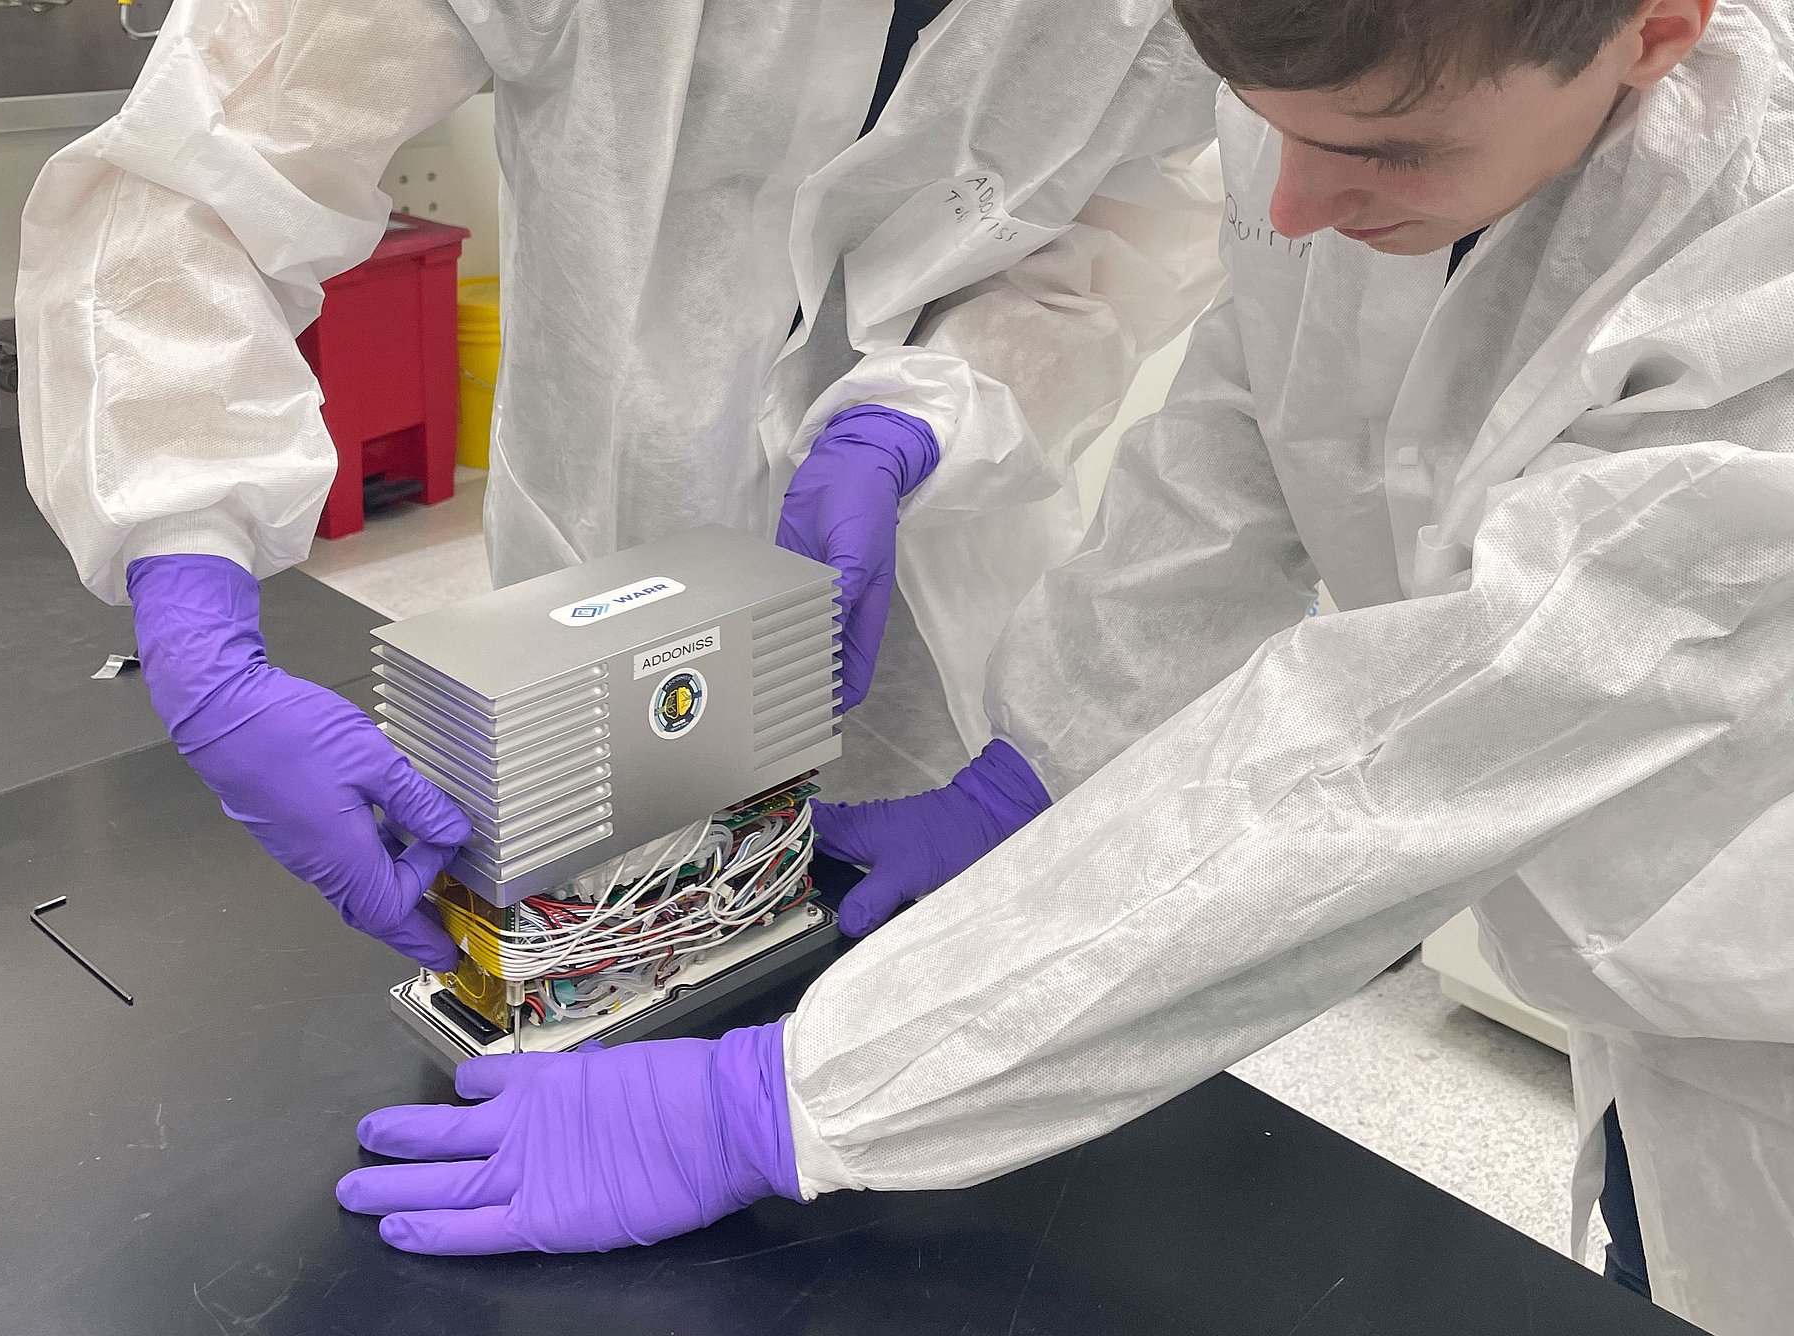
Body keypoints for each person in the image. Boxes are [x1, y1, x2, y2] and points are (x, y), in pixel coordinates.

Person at [331, 4, 1794, 1335]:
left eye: (1384, 153)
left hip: (1762, 995)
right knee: (1656, 1263)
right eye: (1271, 131)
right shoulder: (1372, 112)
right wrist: (1038, 769)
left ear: (1657, 30)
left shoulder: (1760, 275)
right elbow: (1240, 463)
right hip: (1633, 985)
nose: (1293, 204)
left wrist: (782, 1101)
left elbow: (1401, 755)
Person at [15, 1, 1227, 969]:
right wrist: (187, 589)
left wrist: (918, 417)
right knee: (593, 935)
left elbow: (1101, 230)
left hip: (942, 570)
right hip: (608, 536)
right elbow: (200, 167)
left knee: (890, 983)